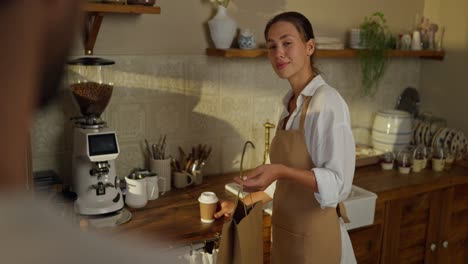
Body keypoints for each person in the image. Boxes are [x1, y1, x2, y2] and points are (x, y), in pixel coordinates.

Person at [214, 11, 357, 263]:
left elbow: (337, 184)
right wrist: (243, 203)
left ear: (309, 46)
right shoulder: (288, 106)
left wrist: (280, 170)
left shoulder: (327, 102)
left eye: (287, 43)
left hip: (318, 242)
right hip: (288, 237)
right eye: (272, 46)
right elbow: (280, 185)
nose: (278, 52)